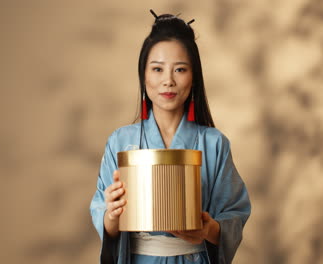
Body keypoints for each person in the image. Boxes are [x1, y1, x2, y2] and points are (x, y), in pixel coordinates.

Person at [90, 10, 251, 264]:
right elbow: (105, 218)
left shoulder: (214, 143)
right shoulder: (119, 142)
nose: (168, 81)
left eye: (180, 69)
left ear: (193, 77)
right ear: (143, 76)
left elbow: (235, 214)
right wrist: (111, 215)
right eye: (157, 69)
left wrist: (208, 229)